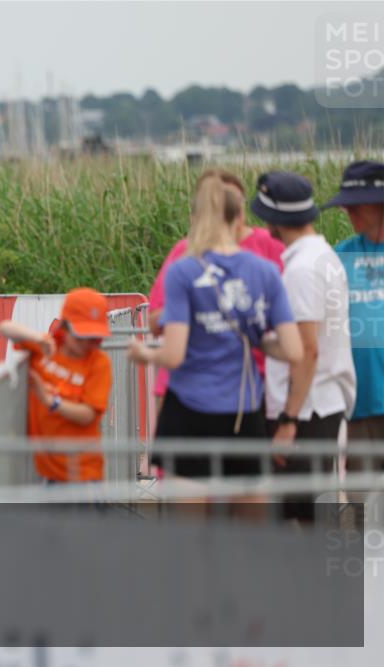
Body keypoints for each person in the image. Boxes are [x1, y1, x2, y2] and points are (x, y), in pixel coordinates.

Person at [128, 171, 303, 478]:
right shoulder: (262, 270)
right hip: (239, 404)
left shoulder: (185, 269)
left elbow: (172, 353)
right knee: (248, 514)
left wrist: (146, 353)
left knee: (193, 518)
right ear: (238, 214)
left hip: (217, 399)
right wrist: (247, 329)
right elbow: (293, 348)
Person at [251, 171, 356, 520]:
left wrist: (287, 421)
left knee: (295, 516)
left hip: (305, 411)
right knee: (312, 515)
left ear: (273, 219)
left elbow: (307, 349)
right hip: (323, 403)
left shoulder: (301, 270)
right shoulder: (324, 257)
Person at [147, 169, 284, 414]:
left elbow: (288, 320)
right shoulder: (184, 253)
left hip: (250, 389)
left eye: (231, 202)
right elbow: (155, 321)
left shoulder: (270, 248)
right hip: (183, 390)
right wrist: (195, 306)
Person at [0, 288, 113, 483]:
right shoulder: (46, 346)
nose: (89, 344)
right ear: (65, 328)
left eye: (96, 338)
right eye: (82, 336)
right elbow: (5, 327)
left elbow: (88, 415)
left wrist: (50, 400)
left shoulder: (99, 363)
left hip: (81, 473)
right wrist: (37, 337)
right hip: (44, 470)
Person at [325, 160, 384, 470]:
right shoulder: (338, 257)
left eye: (356, 205)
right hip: (360, 405)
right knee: (362, 508)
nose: (349, 212)